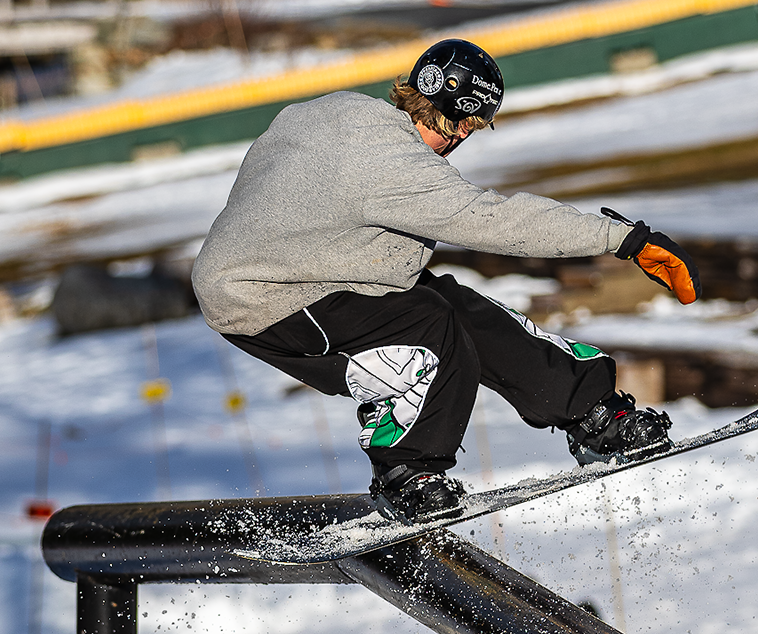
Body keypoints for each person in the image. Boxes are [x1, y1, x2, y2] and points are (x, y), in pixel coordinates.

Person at [193, 39, 701, 524]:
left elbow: (268, 155)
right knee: (427, 324)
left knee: (453, 306)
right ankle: (405, 470)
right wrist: (621, 239)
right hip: (263, 300)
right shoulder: (392, 163)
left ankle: (589, 410)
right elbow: (495, 220)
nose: (457, 141)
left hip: (306, 269)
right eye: (462, 127)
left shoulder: (339, 111)